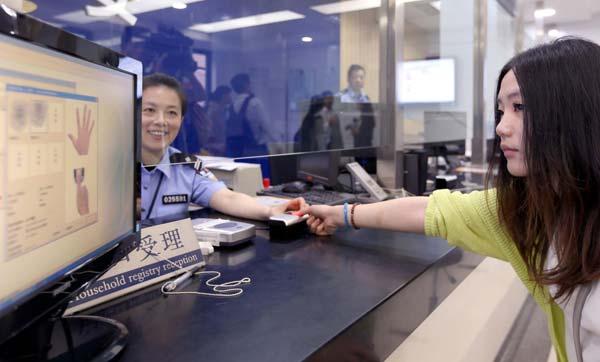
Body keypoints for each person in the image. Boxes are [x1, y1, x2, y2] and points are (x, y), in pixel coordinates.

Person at [303, 38, 600, 362]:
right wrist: (343, 213)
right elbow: (434, 210)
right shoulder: (530, 210)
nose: (501, 126)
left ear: (576, 114)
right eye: (501, 111)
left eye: (521, 108)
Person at [140, 73, 306, 220]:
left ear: (181, 120)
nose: (161, 121)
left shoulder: (185, 167)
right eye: (149, 110)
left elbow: (227, 198)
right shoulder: (114, 167)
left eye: (171, 113)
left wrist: (271, 211)